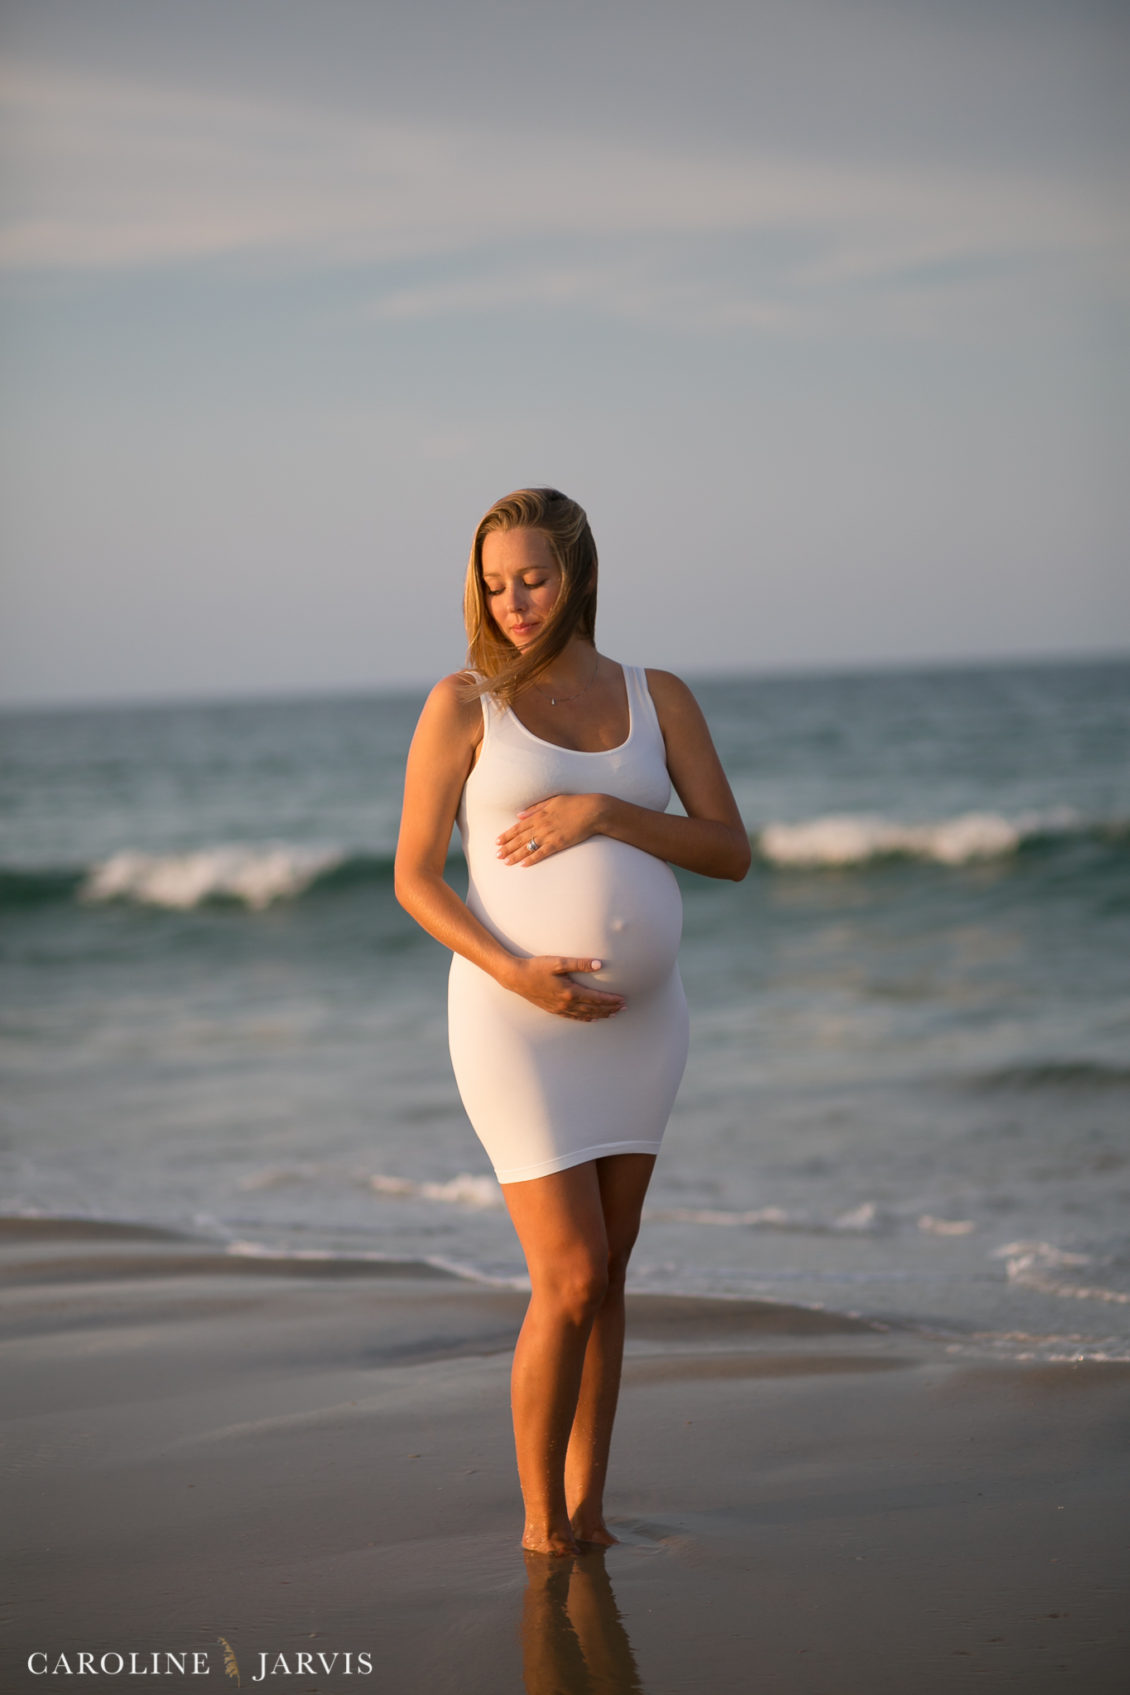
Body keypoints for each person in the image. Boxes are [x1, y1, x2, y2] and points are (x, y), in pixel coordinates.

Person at [394, 487, 749, 1556]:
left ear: (579, 574)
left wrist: (601, 812)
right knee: (572, 1276)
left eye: (532, 578)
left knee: (614, 1270)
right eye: (494, 583)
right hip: (515, 1019)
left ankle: (589, 1512)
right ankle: (541, 1525)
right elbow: (414, 878)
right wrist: (513, 971)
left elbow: (727, 849)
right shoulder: (462, 705)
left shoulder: (658, 697)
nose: (512, 601)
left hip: (645, 1029)